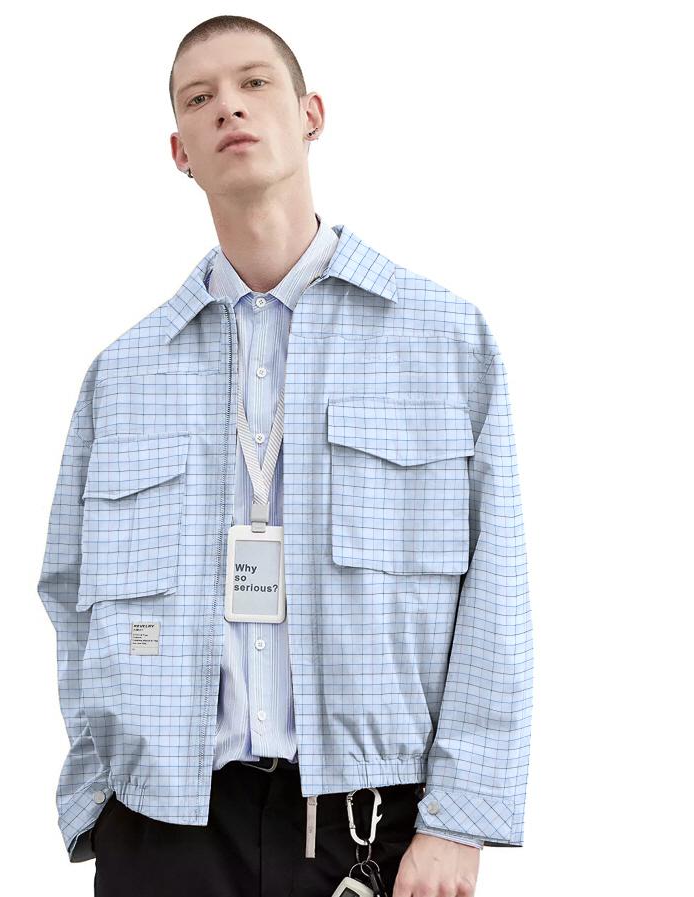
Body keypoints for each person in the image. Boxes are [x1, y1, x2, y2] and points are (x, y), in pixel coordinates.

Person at [37, 14, 533, 897]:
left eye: (254, 83)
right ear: (180, 152)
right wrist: (98, 801)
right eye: (199, 98)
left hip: (372, 828)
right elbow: (70, 595)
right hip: (161, 830)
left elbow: (498, 588)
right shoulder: (123, 372)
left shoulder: (443, 339)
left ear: (311, 115)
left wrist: (459, 818)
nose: (228, 107)